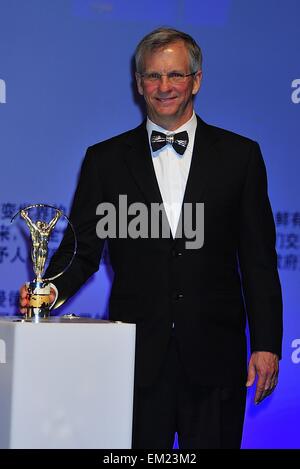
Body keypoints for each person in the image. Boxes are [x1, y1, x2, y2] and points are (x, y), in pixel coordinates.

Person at [20, 27, 283, 449]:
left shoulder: (241, 157)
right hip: (136, 361)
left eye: (175, 75)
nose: (164, 88)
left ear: (196, 80)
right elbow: (81, 249)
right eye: (152, 77)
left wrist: (267, 344)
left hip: (216, 357)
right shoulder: (104, 160)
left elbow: (258, 260)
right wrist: (46, 289)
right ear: (138, 84)